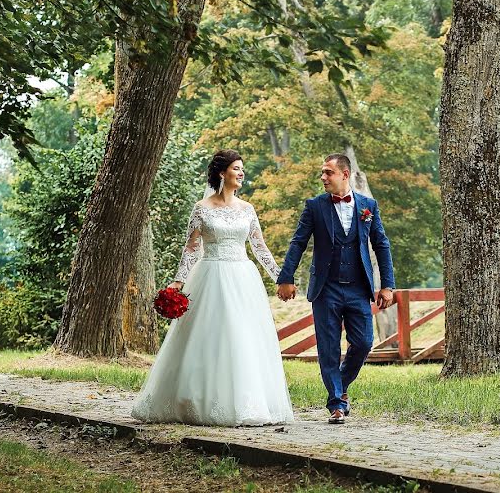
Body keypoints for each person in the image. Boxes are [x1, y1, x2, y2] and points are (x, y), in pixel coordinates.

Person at [131, 150, 294, 427]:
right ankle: (196, 399)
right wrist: (178, 281)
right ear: (222, 173)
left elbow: (259, 246)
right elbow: (192, 248)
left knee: (243, 338)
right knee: (211, 338)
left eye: (242, 169)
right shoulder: (202, 208)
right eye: (236, 169)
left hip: (243, 278)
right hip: (211, 276)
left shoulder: (247, 209)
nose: (241, 173)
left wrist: (281, 277)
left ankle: (247, 402)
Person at [276, 153, 396, 425]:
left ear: (345, 174)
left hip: (358, 288)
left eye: (328, 172)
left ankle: (339, 387)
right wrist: (286, 277)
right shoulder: (315, 206)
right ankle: (337, 404)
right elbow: (298, 243)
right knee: (328, 348)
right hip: (326, 289)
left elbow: (382, 245)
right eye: (322, 172)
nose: (323, 177)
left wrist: (387, 284)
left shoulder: (368, 206)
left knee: (364, 342)